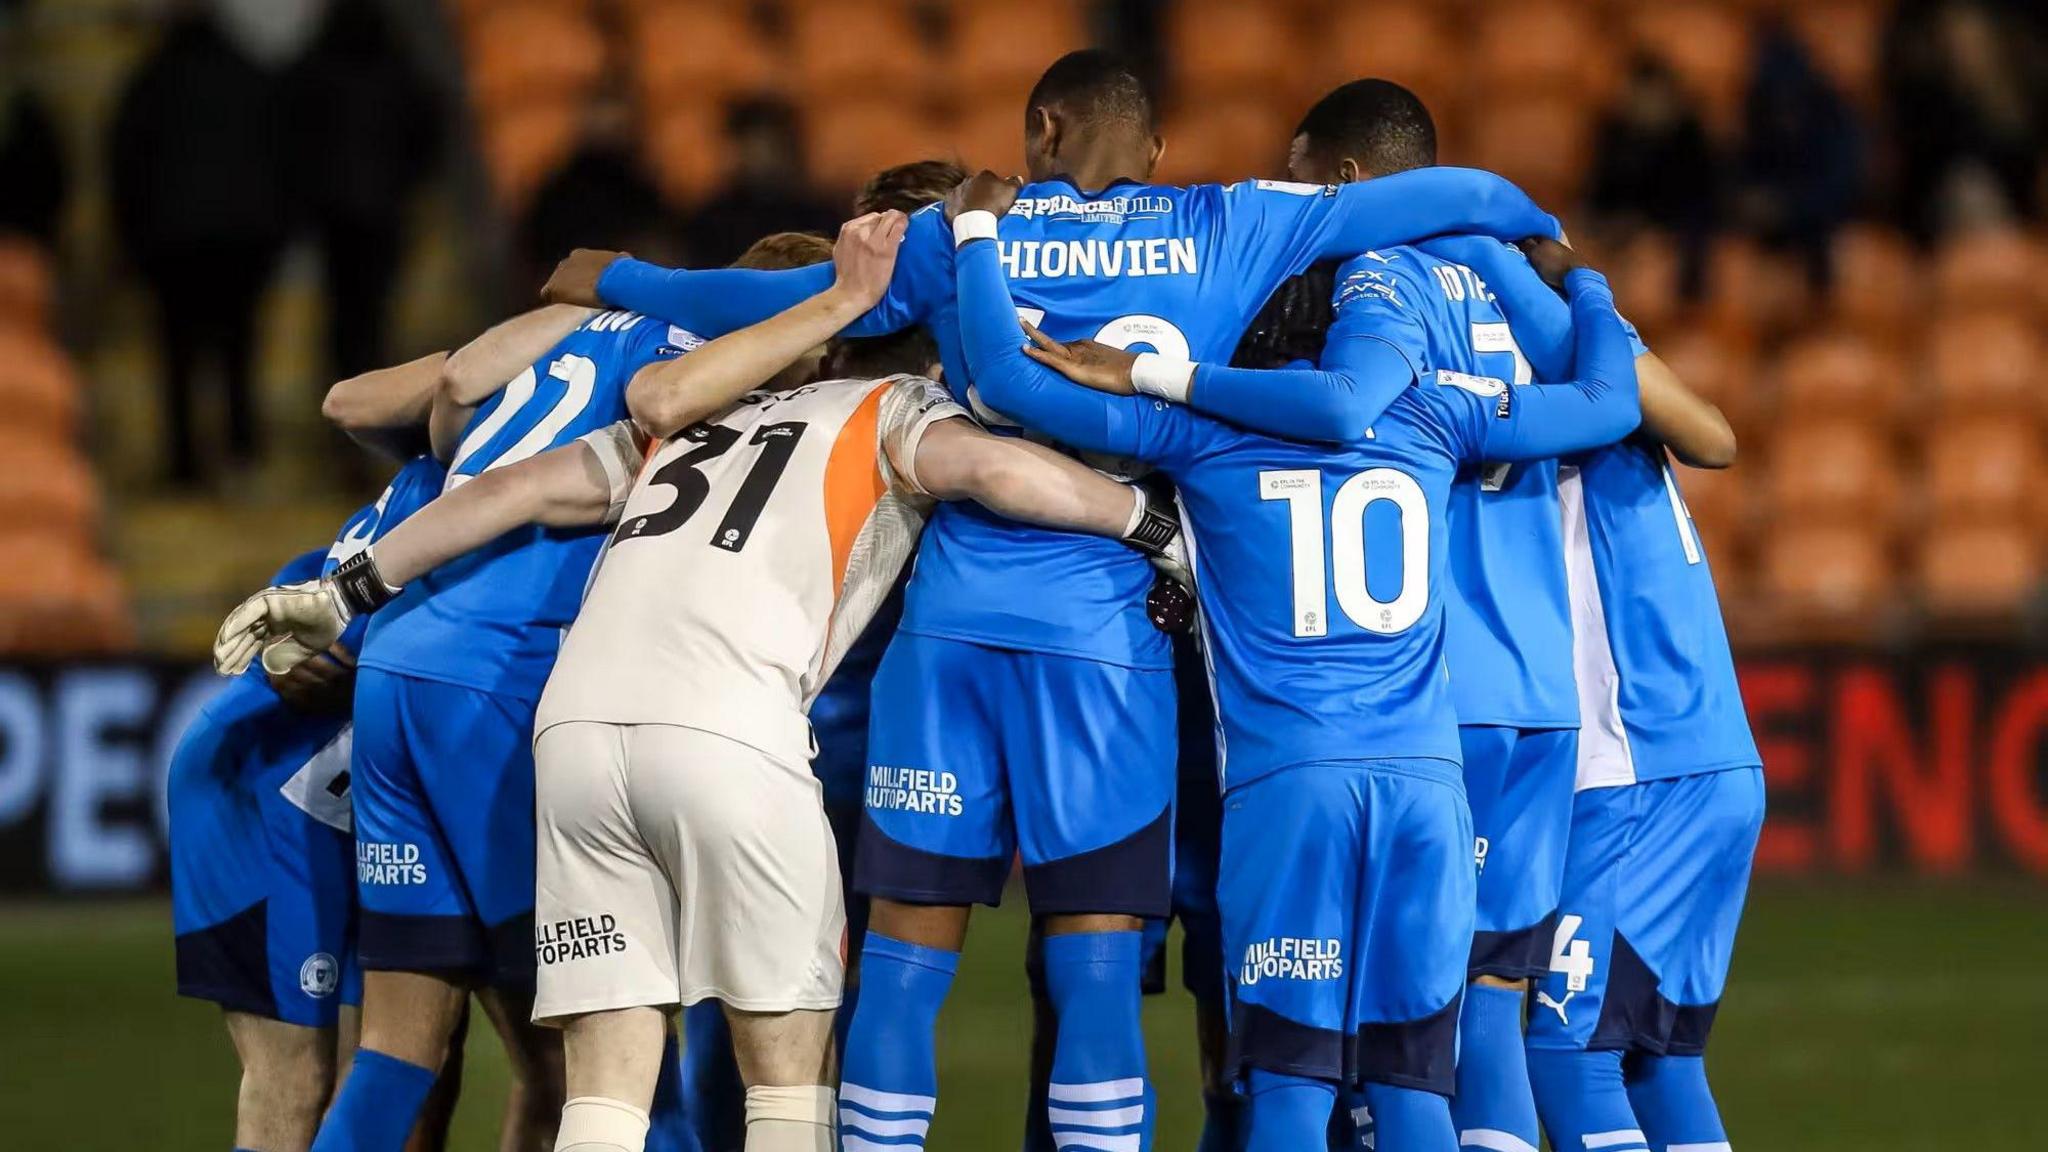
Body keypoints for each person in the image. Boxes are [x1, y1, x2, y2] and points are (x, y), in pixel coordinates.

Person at [541, 49, 1560, 1149]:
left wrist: (617, 279)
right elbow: (1461, 195)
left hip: (950, 631)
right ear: (1155, 152)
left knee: (900, 958)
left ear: (1039, 132)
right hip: (1103, 637)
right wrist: (1532, 235)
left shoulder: (973, 231)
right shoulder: (1234, 221)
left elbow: (767, 296)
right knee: (1094, 972)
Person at [217, 210, 1189, 1152]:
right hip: (729, 733)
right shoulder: (892, 411)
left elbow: (508, 489)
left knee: (602, 1084)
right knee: (787, 1077)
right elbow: (1006, 475)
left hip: (574, 738)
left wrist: (348, 589)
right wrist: (1151, 526)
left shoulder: (678, 427)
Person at [947, 167, 1639, 1151]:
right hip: (1424, 789)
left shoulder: (1197, 434)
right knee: (1411, 1092)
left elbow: (1005, 381)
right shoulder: (1430, 413)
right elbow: (1608, 404)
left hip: (1291, 791)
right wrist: (1590, 290)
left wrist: (976, 231)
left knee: (1287, 1088)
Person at [1446, 225, 1761, 1152]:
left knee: (1563, 1051)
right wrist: (1599, 311)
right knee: (1658, 1060)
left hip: (1635, 764)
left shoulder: (1548, 377)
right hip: (1712, 756)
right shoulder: (1609, 365)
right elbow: (1717, 435)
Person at [171, 451, 451, 1152]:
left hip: (352, 811)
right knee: (293, 1081)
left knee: (387, 1071)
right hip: (269, 788)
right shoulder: (460, 484)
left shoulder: (479, 482)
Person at [108, 3, 290, 484]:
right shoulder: (253, 74)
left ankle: (185, 464)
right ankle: (241, 453)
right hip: (243, 242)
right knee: (239, 352)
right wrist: (275, 234)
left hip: (173, 246)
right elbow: (284, 160)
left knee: (178, 356)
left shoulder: (149, 80)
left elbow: (126, 166)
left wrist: (131, 243)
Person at [284, 0, 442, 382]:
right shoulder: (399, 70)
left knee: (341, 312)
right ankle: (373, 399)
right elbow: (427, 132)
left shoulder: (313, 68)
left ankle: (342, 396)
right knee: (376, 313)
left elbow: (291, 137)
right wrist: (407, 183)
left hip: (334, 213)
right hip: (383, 210)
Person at [680, 97, 839, 267]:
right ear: (735, 146)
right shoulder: (712, 219)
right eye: (752, 144)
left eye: (770, 144)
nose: (762, 155)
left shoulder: (818, 212)